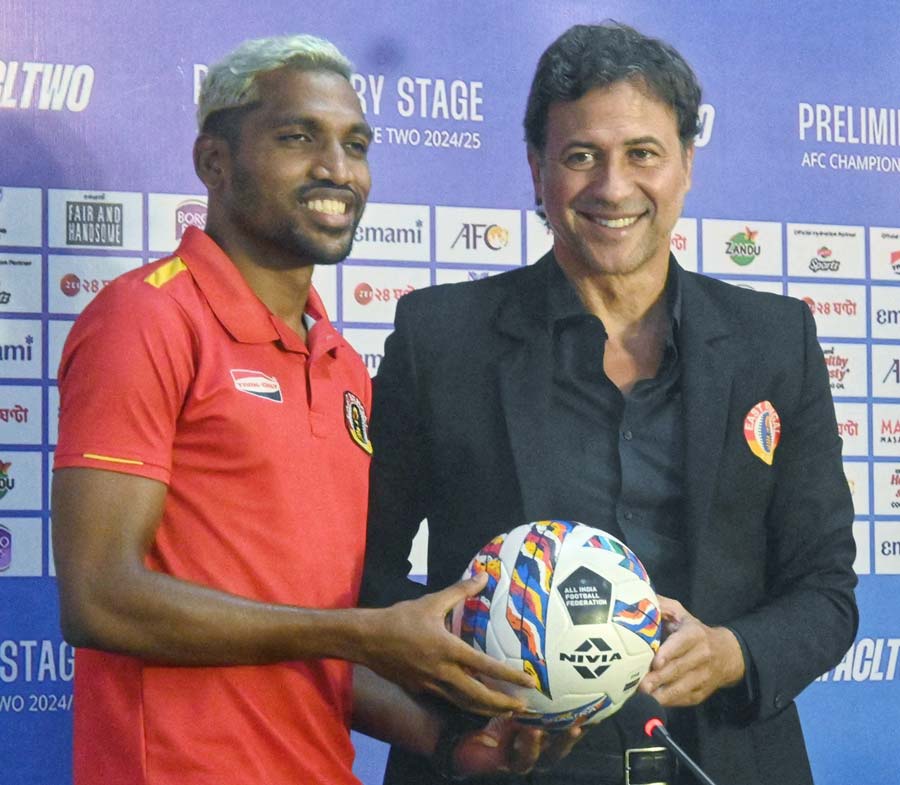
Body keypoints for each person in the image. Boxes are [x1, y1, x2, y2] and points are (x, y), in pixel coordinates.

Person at [51, 33, 575, 785]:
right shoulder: (145, 320)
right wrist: (361, 632)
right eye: (298, 138)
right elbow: (99, 596)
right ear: (214, 162)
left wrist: (447, 739)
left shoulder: (341, 363)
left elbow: (308, 650)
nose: (337, 168)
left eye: (354, 143)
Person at [360, 21, 858, 785]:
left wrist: (735, 652)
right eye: (581, 155)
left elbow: (824, 588)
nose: (613, 187)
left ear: (687, 163)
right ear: (536, 169)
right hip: (498, 766)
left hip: (725, 762)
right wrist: (469, 660)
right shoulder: (440, 338)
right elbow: (369, 575)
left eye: (643, 154)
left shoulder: (773, 341)